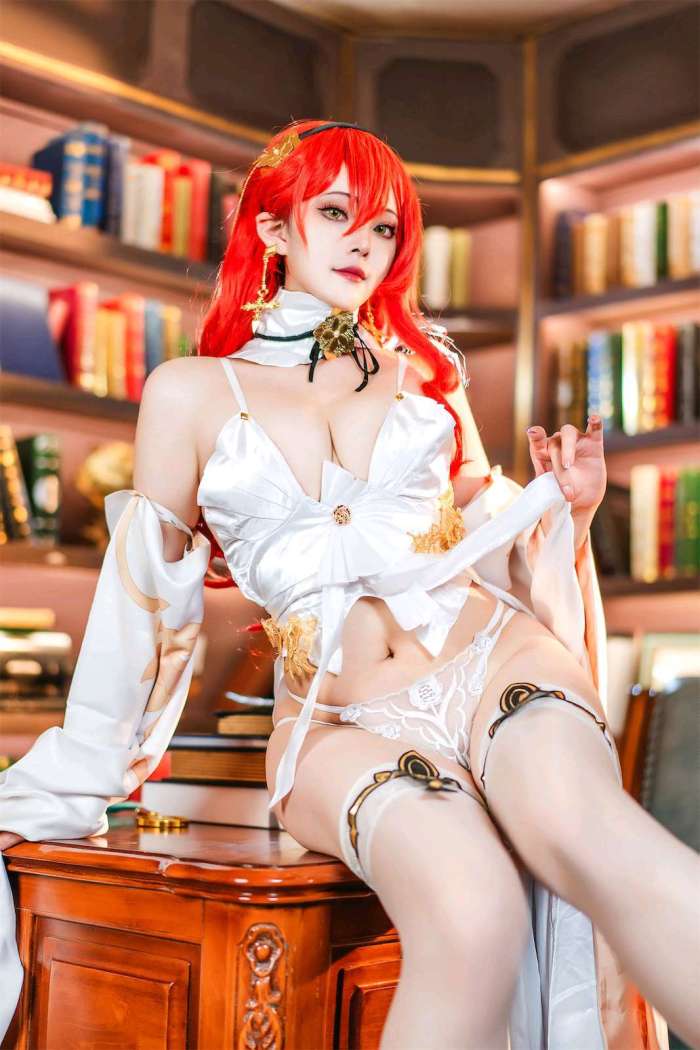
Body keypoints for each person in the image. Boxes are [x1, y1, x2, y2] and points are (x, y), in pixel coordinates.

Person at [0, 118, 697, 1049]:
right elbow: (146, 606)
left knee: (603, 842)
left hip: (492, 657)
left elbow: (485, 540)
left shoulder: (426, 370)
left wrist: (566, 509)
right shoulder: (189, 391)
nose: (364, 244)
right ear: (272, 227)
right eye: (337, 214)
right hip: (333, 719)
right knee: (474, 915)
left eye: (384, 228)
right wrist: (88, 766)